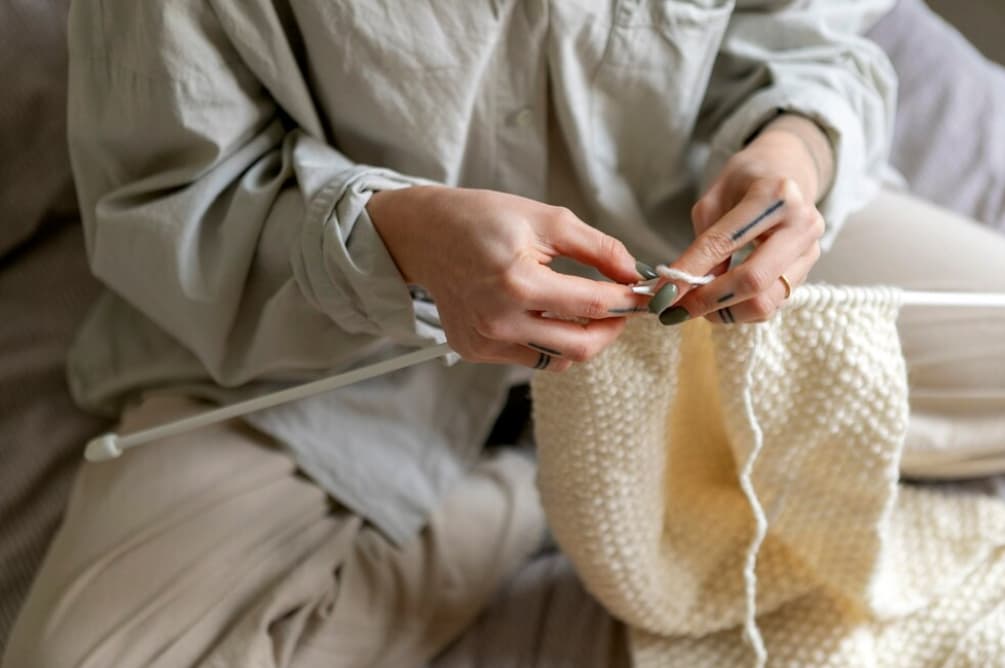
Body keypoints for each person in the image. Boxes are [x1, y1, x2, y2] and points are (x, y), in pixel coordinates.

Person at [5, 1, 1005, 666]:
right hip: (331, 339)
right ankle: (537, 489)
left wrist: (792, 155)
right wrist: (389, 238)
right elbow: (165, 193)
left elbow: (814, 36)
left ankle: (598, 466)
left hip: (697, 260)